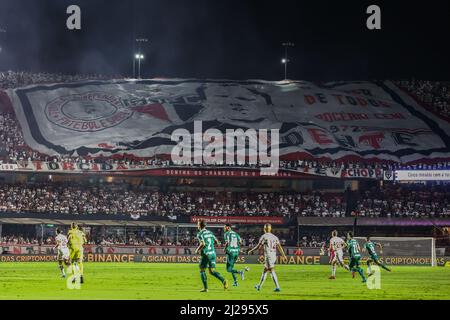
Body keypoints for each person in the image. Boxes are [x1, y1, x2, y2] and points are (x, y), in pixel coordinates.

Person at [248, 223, 287, 292]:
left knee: (271, 270)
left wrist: (251, 250)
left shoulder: (264, 236)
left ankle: (278, 287)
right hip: (273, 255)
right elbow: (279, 247)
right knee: (265, 270)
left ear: (264, 229)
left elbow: (258, 246)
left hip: (268, 256)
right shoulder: (275, 237)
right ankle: (259, 286)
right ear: (270, 229)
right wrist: (283, 255)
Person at [195, 219, 228, 292]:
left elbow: (203, 244)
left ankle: (205, 288)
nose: (197, 225)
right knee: (211, 271)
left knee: (202, 270)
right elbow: (217, 242)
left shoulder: (200, 234)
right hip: (213, 253)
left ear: (199, 225)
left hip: (206, 254)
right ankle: (223, 280)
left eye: (197, 224)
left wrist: (197, 250)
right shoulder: (210, 232)